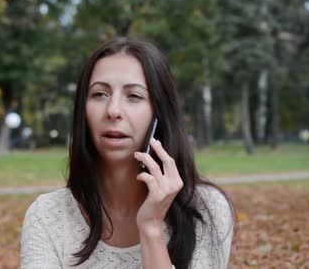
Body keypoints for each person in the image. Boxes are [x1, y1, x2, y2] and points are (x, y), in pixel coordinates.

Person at [20, 37, 235, 268]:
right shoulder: (46, 216)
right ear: (83, 111)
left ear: (159, 113)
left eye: (134, 96)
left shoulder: (206, 210)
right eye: (100, 94)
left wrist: (151, 229)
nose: (113, 111)